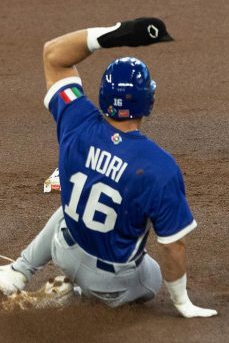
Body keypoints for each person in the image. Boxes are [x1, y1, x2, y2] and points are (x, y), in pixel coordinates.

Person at [0, 17, 217, 317]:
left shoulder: (76, 118)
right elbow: (172, 247)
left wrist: (115, 34)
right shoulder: (158, 166)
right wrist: (182, 302)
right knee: (150, 276)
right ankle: (78, 293)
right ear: (147, 101)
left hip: (64, 250)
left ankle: (18, 271)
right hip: (109, 283)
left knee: (67, 211)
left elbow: (54, 54)